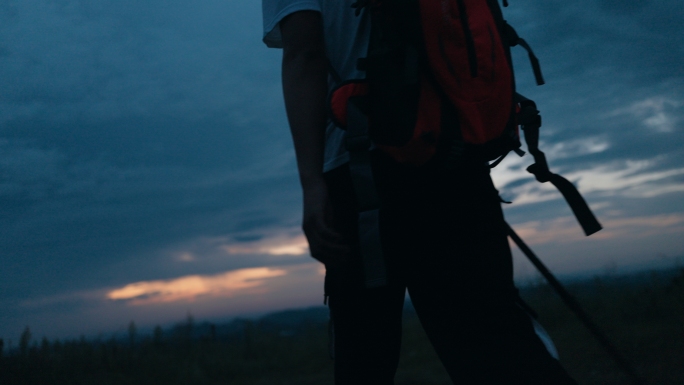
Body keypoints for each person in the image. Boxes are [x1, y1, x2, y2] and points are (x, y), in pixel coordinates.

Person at [262, 2, 578, 384]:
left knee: (365, 354)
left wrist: (312, 185)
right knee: (496, 341)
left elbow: (306, 53)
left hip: (362, 170)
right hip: (455, 152)